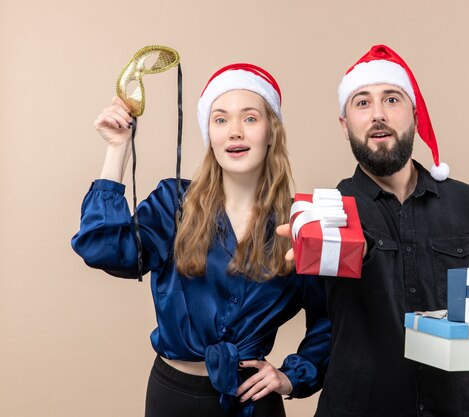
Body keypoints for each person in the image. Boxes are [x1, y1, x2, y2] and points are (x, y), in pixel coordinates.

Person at [279, 44, 469, 417]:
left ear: (415, 115)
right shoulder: (324, 214)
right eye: (362, 103)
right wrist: (286, 376)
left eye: (392, 99)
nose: (378, 115)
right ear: (344, 124)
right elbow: (310, 323)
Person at [71, 63, 331, 417]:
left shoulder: (300, 222)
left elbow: (330, 320)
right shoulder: (173, 204)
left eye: (250, 119)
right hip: (172, 398)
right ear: (209, 133)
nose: (235, 132)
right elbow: (102, 247)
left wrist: (291, 377)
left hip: (254, 404)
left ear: (271, 132)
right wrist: (118, 150)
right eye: (221, 119)